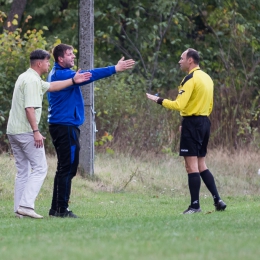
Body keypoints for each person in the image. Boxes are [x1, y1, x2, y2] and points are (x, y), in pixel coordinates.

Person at [47, 43, 135, 218]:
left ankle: (56, 209)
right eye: (69, 54)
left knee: (64, 168)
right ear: (60, 59)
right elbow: (91, 75)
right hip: (65, 127)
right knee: (68, 168)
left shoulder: (58, 73)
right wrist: (114, 69)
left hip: (63, 126)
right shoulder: (63, 74)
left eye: (73, 53)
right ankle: (62, 210)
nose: (73, 56)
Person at [7, 49, 92, 219]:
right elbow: (29, 108)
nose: (49, 64)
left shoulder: (27, 77)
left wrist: (73, 80)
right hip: (26, 132)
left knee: (23, 170)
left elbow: (52, 86)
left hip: (13, 131)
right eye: (47, 62)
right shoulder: (32, 81)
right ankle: (26, 205)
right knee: (40, 168)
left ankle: (19, 209)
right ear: (39, 63)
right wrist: (36, 131)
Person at [146, 48, 226, 214]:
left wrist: (158, 100)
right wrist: (193, 119)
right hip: (205, 122)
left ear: (190, 60)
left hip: (193, 123)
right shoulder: (207, 77)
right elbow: (209, 105)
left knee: (191, 167)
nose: (179, 61)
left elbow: (178, 105)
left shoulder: (190, 78)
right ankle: (218, 199)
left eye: (181, 58)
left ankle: (195, 206)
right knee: (201, 163)